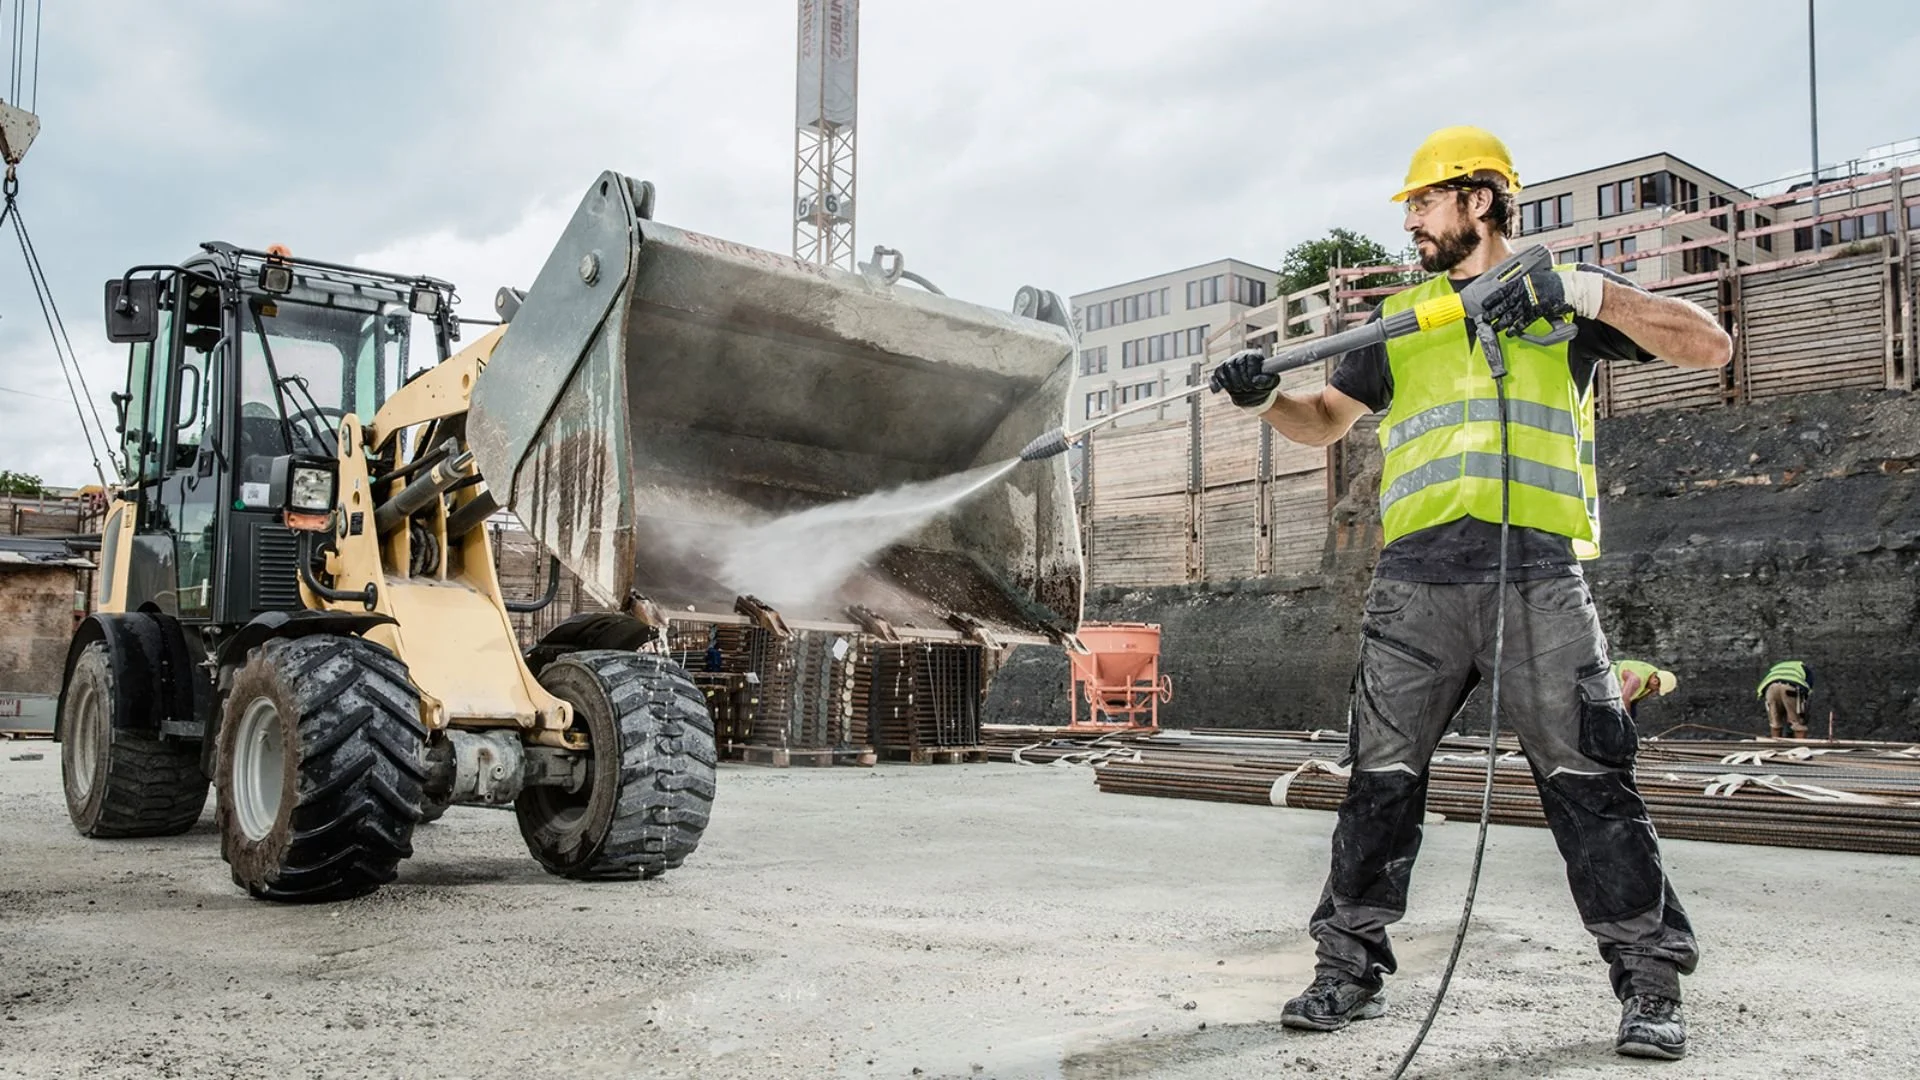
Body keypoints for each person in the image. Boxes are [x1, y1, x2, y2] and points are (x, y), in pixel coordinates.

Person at [1211, 126, 1732, 1061]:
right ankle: (1347, 969)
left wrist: (1584, 289)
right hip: (1414, 587)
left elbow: (1711, 344)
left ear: (1478, 201)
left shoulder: (1560, 303)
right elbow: (1322, 423)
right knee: (1379, 782)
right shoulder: (1402, 322)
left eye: (1422, 202)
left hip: (1535, 578)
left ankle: (1650, 986)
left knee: (1590, 783)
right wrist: (1262, 402)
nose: (1410, 220)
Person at [1756, 660, 1813, 739]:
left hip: (1770, 688)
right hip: (1790, 687)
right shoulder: (1805, 669)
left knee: (1775, 722)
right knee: (1797, 723)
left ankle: (1776, 745)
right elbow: (1806, 691)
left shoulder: (1776, 667)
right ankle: (1800, 747)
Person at [1612, 659, 1677, 721]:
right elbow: (1624, 699)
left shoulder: (1653, 675)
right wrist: (1628, 720)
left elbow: (1637, 698)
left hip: (1617, 692)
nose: (1655, 692)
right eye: (1657, 689)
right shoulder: (1636, 679)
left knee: (1631, 713)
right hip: (1605, 683)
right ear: (1655, 681)